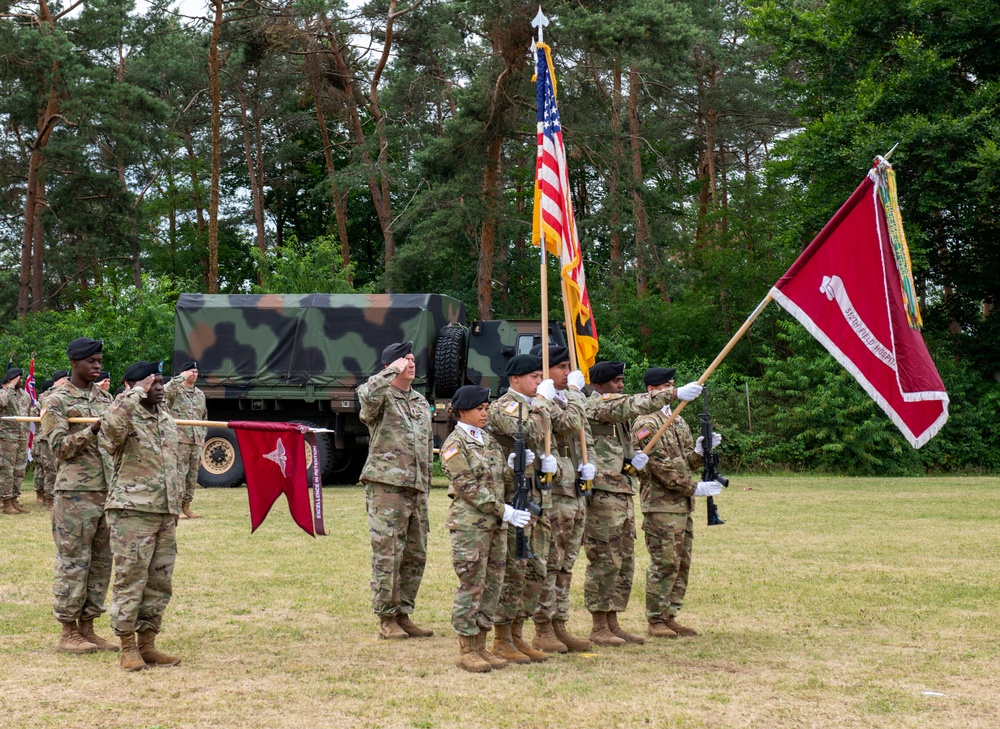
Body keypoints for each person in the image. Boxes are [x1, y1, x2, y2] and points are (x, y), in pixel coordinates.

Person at [582, 361, 703, 646]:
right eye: (616, 381)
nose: (621, 386)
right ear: (599, 386)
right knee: (605, 560)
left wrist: (632, 466)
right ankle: (600, 625)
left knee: (624, 562)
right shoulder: (597, 405)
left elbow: (624, 455)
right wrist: (674, 394)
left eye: (622, 380)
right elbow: (632, 405)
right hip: (602, 494)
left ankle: (613, 622)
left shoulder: (620, 418)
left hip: (621, 490)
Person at [440, 385, 532, 672]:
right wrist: (502, 509)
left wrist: (514, 465)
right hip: (471, 526)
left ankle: (481, 644)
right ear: (462, 411)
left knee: (492, 585)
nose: (485, 412)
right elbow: (468, 486)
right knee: (472, 584)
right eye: (479, 408)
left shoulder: (488, 441)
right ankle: (467, 648)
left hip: (494, 525)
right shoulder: (454, 445)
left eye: (486, 407)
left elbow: (500, 479)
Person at [101, 361, 183, 671]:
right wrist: (133, 393)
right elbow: (109, 432)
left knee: (159, 582)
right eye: (154, 383)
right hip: (132, 511)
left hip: (163, 510)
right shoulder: (125, 413)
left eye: (161, 382)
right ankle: (127, 646)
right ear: (137, 387)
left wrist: (174, 507)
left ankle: (148, 644)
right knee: (130, 580)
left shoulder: (165, 418)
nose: (160, 388)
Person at [630, 366, 722, 639]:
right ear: (651, 390)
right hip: (660, 504)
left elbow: (684, 462)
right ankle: (655, 618)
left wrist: (699, 450)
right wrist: (694, 488)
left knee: (682, 562)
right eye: (665, 385)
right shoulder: (646, 422)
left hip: (680, 504)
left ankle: (670, 614)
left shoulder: (678, 420)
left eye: (673, 384)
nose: (671, 389)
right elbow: (659, 466)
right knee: (664, 562)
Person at [40, 338, 117, 653]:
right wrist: (93, 430)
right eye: (91, 361)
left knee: (101, 562)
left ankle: (88, 627)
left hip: (106, 492)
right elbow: (58, 447)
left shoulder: (106, 397)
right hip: (75, 495)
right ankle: (68, 632)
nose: (97, 366)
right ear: (75, 363)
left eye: (99, 360)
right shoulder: (56, 401)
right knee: (74, 561)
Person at [358, 341, 434, 640]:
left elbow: (425, 445)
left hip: (417, 486)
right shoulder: (380, 396)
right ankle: (386, 617)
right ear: (391, 365)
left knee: (415, 554)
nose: (412, 363)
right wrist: (390, 371)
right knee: (388, 553)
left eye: (413, 358)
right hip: (387, 486)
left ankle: (403, 613)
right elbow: (364, 395)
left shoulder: (418, 400)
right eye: (406, 359)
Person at [486, 353, 557, 663]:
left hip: (536, 497)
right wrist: (542, 401)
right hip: (514, 499)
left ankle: (517, 633)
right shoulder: (506, 407)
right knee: (515, 569)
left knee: (535, 569)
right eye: (533, 377)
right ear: (515, 379)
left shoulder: (533, 405)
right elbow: (529, 431)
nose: (539, 382)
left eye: (540, 377)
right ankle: (501, 638)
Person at [528, 344, 593, 653]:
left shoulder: (563, 399)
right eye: (562, 367)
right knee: (550, 562)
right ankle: (543, 627)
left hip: (573, 490)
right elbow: (570, 424)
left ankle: (559, 624)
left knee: (566, 563)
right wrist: (578, 394)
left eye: (569, 366)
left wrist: (586, 464)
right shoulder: (544, 401)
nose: (568, 372)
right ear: (546, 372)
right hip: (553, 493)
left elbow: (581, 435)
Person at [163, 361, 207, 519]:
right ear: (184, 373)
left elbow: (203, 417)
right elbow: (164, 393)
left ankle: (186, 505)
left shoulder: (200, 394)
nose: (194, 374)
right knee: (179, 473)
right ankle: (176, 507)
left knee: (192, 474)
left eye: (196, 372)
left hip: (195, 440)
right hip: (180, 439)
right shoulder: (176, 389)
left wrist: (202, 437)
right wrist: (178, 378)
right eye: (191, 372)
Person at [0, 368, 29, 515]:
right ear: (12, 378)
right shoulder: (4, 392)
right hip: (7, 437)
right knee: (7, 470)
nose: (21, 381)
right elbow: (1, 403)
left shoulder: (24, 395)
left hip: (22, 437)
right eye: (19, 378)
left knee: (19, 470)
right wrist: (10, 386)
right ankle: (5, 502)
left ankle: (14, 499)